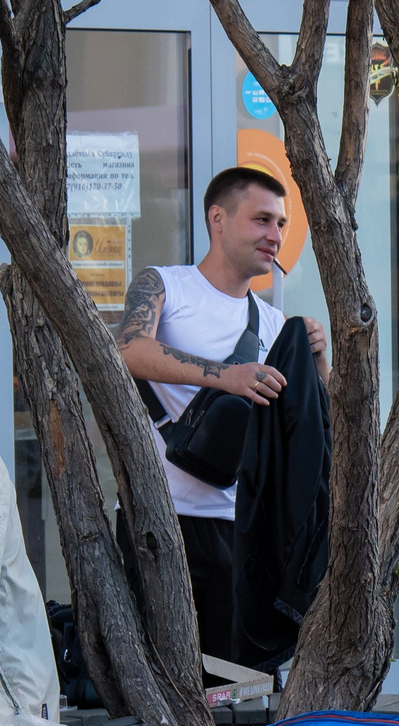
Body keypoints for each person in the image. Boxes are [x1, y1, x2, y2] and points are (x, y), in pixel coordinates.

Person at [112, 166, 327, 663]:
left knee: (237, 686)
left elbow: (315, 429)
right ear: (218, 219)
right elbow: (126, 350)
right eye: (262, 220)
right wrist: (224, 375)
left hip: (241, 529)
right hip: (158, 519)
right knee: (164, 676)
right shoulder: (165, 285)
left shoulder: (274, 324)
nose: (275, 236)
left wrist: (319, 361)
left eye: (281, 224)